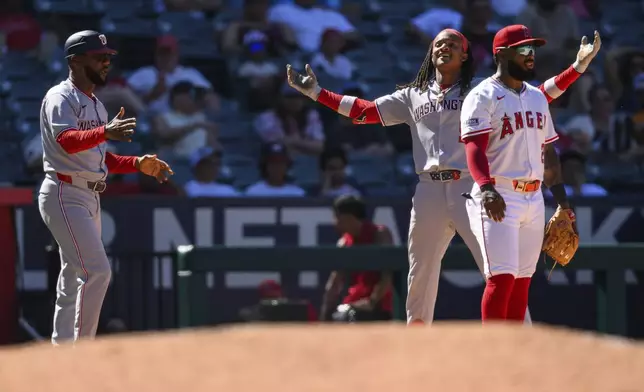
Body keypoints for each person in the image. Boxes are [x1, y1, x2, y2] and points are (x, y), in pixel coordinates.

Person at [286, 27, 601, 325]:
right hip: (429, 189)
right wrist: (316, 92)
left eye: (453, 43)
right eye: (438, 43)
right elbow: (364, 111)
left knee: (502, 271)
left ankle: (519, 335)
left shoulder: (483, 89)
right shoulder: (412, 95)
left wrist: (576, 68)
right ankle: (418, 338)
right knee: (420, 268)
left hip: (473, 184)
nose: (444, 46)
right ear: (430, 52)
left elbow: (539, 95)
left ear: (465, 55)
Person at [38, 30, 174, 345]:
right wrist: (105, 131)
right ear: (75, 60)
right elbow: (67, 141)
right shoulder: (61, 97)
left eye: (108, 57)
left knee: (73, 276)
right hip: (64, 191)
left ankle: (63, 351)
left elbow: (98, 157)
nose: (105, 63)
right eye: (99, 57)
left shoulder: (97, 104)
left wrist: (137, 163)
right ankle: (82, 350)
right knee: (97, 271)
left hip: (88, 193)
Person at [459, 25, 577, 323]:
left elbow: (549, 152)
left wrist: (561, 202)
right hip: (499, 194)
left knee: (523, 280)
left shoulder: (537, 97)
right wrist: (486, 188)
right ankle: (494, 352)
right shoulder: (483, 95)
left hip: (534, 197)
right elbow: (473, 148)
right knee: (501, 278)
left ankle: (512, 353)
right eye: (523, 50)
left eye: (533, 50)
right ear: (501, 54)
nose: (530, 56)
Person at [320, 195, 394, 322]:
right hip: (354, 303)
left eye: (337, 218)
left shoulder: (380, 235)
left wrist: (371, 302)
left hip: (380, 305)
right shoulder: (343, 243)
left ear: (349, 218)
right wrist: (325, 315)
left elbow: (387, 275)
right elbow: (334, 282)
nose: (335, 223)